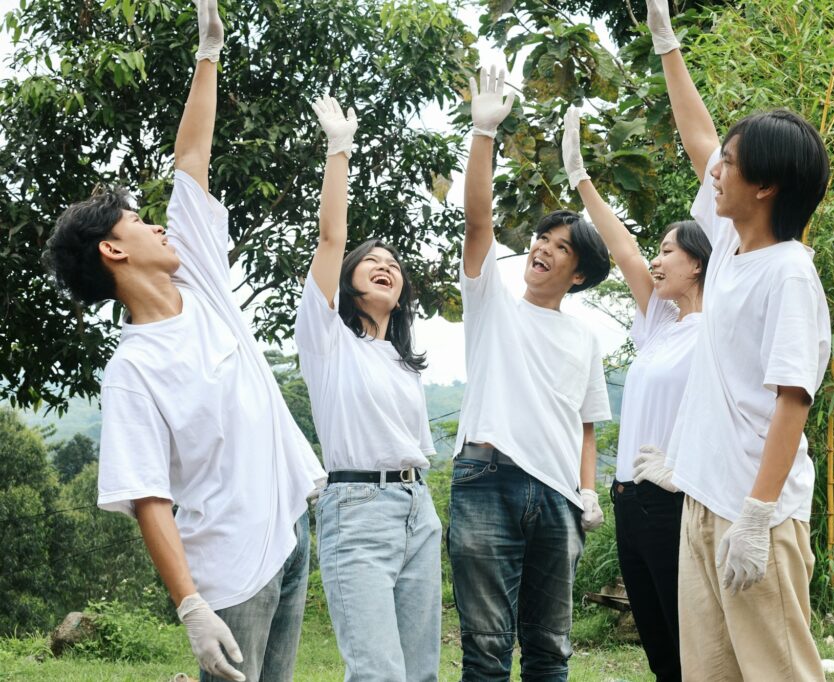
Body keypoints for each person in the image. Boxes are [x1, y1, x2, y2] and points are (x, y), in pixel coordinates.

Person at [43, 2, 326, 680]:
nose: (159, 226)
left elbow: (191, 156)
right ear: (113, 249)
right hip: (230, 574)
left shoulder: (199, 281)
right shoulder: (133, 370)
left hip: (289, 535)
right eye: (140, 221)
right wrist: (191, 606)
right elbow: (148, 497)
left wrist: (209, 53)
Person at [644, 0, 832, 679]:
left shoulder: (788, 275)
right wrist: (667, 43)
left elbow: (792, 401)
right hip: (701, 503)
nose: (714, 170)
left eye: (730, 163)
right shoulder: (728, 244)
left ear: (766, 186)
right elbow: (698, 135)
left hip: (756, 515)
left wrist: (755, 518)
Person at [447, 66, 613, 681]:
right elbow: (478, 226)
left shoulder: (583, 337)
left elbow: (586, 425)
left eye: (561, 245)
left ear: (580, 273)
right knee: (486, 650)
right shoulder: (492, 305)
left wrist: (587, 492)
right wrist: (483, 133)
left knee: (550, 651)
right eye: (542, 237)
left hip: (559, 498)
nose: (542, 247)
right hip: (488, 477)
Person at [294, 92, 442, 681]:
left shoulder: (403, 362)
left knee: (422, 673)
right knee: (379, 673)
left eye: (396, 265)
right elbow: (331, 239)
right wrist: (339, 150)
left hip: (418, 508)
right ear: (349, 280)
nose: (387, 265)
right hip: (356, 509)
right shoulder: (327, 341)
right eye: (373, 260)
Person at [560, 106, 711, 682]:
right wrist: (581, 180)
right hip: (631, 500)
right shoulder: (660, 325)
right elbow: (623, 248)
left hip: (678, 498)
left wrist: (689, 468)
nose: (655, 258)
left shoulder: (716, 329)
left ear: (698, 263)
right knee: (657, 644)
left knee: (689, 640)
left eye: (670, 250)